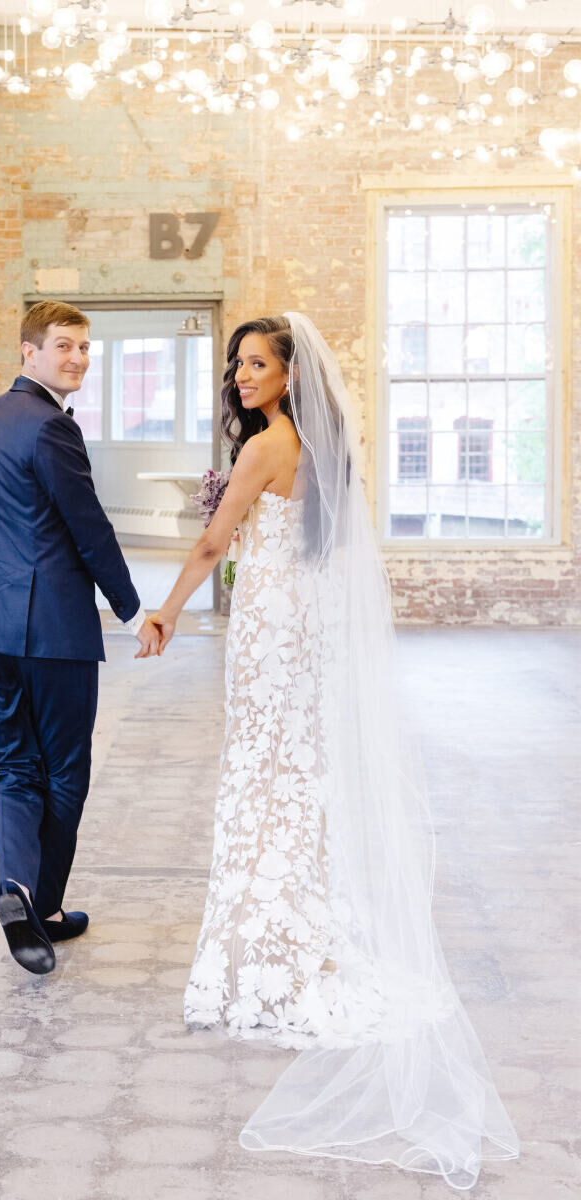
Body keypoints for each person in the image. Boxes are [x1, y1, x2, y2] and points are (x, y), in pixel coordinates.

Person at [150, 313, 519, 1189]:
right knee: (296, 777)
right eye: (237, 363)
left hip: (271, 629)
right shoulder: (325, 449)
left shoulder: (264, 448)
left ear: (288, 376)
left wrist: (165, 609)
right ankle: (297, 933)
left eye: (256, 363)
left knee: (262, 774)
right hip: (306, 631)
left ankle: (266, 954)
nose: (242, 375)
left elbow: (215, 542)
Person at [0, 300, 160, 976]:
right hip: (52, 629)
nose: (76, 359)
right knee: (64, 770)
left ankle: (16, 889)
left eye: (83, 349)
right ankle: (43, 908)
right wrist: (133, 610)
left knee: (15, 765)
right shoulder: (50, 428)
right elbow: (88, 527)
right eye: (63, 346)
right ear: (28, 353)